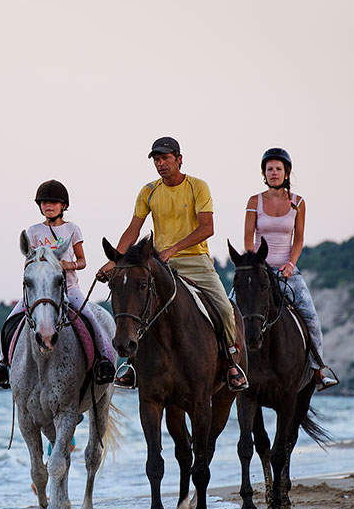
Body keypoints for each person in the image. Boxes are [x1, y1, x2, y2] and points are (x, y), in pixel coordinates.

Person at [96, 136, 248, 391]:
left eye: (165, 158)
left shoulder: (197, 187)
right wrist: (114, 262)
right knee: (139, 305)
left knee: (224, 307)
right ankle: (132, 365)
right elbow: (133, 230)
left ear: (179, 159)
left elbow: (207, 227)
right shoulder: (149, 191)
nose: (160, 163)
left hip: (196, 260)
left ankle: (232, 363)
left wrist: (173, 249)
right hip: (160, 264)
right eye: (156, 159)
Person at [0, 179, 117, 389]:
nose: (47, 206)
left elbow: (83, 261)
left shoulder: (72, 229)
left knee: (91, 318)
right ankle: (2, 364)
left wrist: (70, 265)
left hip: (69, 288)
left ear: (63, 206)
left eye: (53, 202)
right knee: (11, 319)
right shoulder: (34, 231)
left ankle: (103, 360)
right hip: (40, 291)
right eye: (44, 202)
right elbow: (28, 264)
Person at [244, 148, 338, 391]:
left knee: (312, 318)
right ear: (264, 173)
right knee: (232, 311)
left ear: (287, 173)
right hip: (258, 270)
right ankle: (231, 367)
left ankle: (318, 370)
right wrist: (256, 265)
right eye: (269, 169)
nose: (274, 173)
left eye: (278, 169)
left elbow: (298, 239)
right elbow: (247, 239)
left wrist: (291, 264)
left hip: (287, 271)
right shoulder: (254, 201)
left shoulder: (298, 203)